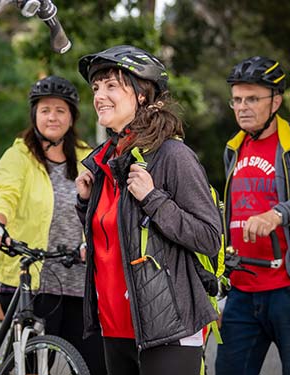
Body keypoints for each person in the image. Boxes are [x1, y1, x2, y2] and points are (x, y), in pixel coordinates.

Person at [74, 45, 222, 375]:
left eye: (112, 85)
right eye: (97, 87)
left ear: (142, 94)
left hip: (168, 328)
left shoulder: (172, 156)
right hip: (116, 328)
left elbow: (209, 237)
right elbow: (116, 238)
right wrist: (85, 203)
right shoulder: (107, 162)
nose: (100, 95)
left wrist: (153, 198)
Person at [215, 56, 290, 375]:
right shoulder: (233, 148)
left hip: (289, 289)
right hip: (242, 288)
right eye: (237, 100)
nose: (243, 107)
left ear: (276, 101)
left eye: (253, 98)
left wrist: (276, 214)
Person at [0, 75, 106, 375]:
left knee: (95, 362)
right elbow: (4, 192)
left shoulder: (87, 157)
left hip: (77, 275)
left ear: (72, 117)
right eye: (45, 109)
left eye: (60, 110)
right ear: (34, 115)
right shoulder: (19, 156)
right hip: (30, 276)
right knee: (39, 366)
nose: (53, 117)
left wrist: (94, 241)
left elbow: (101, 207)